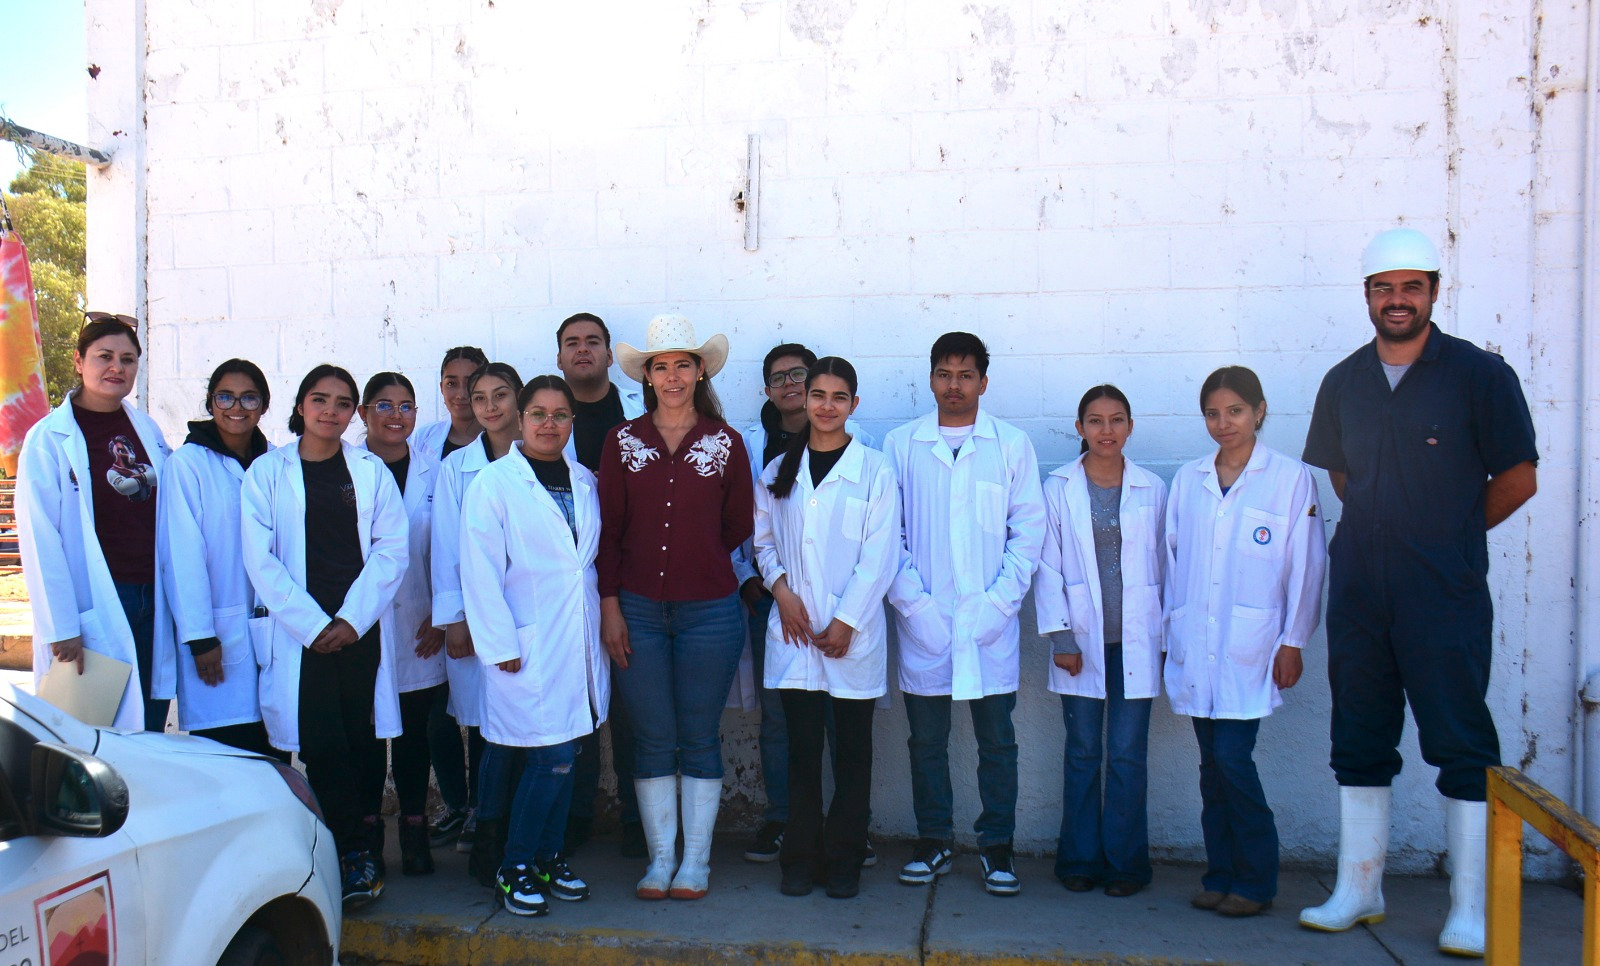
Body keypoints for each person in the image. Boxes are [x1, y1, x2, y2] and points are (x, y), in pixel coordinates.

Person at [1298, 228, 1538, 956]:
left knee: (1461, 741)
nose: (1396, 299)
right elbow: (1342, 476)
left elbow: (1518, 478)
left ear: (1434, 290)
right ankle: (1359, 888)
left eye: (1410, 286)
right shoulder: (1344, 380)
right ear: (1367, 295)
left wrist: (1447, 534)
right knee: (1359, 736)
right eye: (1383, 287)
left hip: (1443, 592)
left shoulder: (1479, 375)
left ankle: (1471, 909)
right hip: (1361, 590)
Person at [597, 314, 754, 901]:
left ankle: (697, 863)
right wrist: (610, 606)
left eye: (682, 365)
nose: (671, 376)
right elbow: (610, 531)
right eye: (660, 366)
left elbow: (737, 523)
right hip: (636, 610)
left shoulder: (725, 443)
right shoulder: (622, 442)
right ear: (647, 375)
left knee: (699, 735)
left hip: (709, 612)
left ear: (700, 371)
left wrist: (697, 555)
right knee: (653, 736)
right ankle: (661, 859)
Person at [241, 364, 408, 908]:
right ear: (300, 406)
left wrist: (351, 620)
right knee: (321, 742)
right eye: (320, 399)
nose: (330, 411)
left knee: (363, 740)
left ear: (353, 412)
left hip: (359, 630)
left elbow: (391, 550)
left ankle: (361, 851)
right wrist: (314, 626)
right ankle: (346, 850)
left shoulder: (370, 471)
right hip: (301, 635)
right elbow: (260, 560)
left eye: (342, 402)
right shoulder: (267, 473)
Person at [885, 331, 1044, 897]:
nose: (954, 385)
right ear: (930, 378)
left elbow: (1028, 532)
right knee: (925, 743)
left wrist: (999, 604)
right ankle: (935, 840)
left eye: (965, 375)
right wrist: (915, 606)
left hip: (990, 624)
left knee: (997, 742)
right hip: (923, 621)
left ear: (983, 381)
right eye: (944, 374)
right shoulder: (901, 445)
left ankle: (997, 846)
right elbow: (889, 535)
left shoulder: (1011, 445)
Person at [1164, 366, 1326, 918]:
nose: (1223, 423)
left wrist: (1293, 640)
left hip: (1251, 646)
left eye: (1235, 411)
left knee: (1233, 760)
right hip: (1196, 642)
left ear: (1259, 411)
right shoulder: (1189, 480)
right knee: (1211, 768)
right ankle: (1220, 874)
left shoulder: (1288, 478)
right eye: (1212, 413)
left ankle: (1255, 882)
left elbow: (1307, 565)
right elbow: (1171, 562)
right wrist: (1171, 631)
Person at [461, 374, 610, 917]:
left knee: (569, 750)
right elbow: (478, 570)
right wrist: (498, 642)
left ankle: (548, 855)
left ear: (572, 421)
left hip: (577, 638)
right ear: (521, 420)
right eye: (539, 414)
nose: (550, 424)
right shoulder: (494, 483)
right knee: (550, 757)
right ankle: (515, 863)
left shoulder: (585, 481)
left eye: (560, 414)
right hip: (524, 644)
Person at [753, 357, 899, 899]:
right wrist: (782, 592)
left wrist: (846, 620)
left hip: (851, 636)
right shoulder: (777, 471)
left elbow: (880, 556)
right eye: (818, 394)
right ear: (805, 399)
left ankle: (844, 860)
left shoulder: (875, 470)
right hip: (794, 633)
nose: (827, 406)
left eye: (839, 397)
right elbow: (763, 543)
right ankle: (799, 858)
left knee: (853, 754)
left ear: (853, 404)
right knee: (802, 753)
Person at [1034, 384, 1166, 898]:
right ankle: (1080, 859)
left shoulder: (1153, 488)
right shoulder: (1058, 488)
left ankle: (1127, 865)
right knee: (1084, 752)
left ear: (1130, 426)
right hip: (1081, 645)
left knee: (1128, 755)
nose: (1106, 430)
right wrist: (1061, 637)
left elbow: (1167, 567)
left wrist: (1164, 639)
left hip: (1137, 642)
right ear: (1080, 427)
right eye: (1095, 420)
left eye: (1116, 420)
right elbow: (1047, 566)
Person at [17, 313, 174, 732]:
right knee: (92, 731)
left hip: (152, 596)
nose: (116, 368)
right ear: (78, 361)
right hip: (98, 600)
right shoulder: (48, 439)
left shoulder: (146, 428)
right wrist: (62, 625)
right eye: (104, 356)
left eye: (128, 359)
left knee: (147, 725)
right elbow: (39, 537)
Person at [554, 313, 646, 857]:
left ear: (610, 355)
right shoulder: (544, 417)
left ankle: (638, 817)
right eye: (572, 343)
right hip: (565, 583)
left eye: (593, 341)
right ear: (560, 357)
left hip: (632, 576)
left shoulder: (639, 412)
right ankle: (576, 814)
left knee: (633, 706)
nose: (583, 350)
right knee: (575, 700)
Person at [431, 361, 524, 879]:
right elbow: (446, 546)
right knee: (485, 725)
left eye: (500, 395)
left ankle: (522, 822)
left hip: (531, 611)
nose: (490, 406)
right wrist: (456, 619)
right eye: (480, 397)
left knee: (528, 719)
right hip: (476, 613)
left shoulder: (543, 453)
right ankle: (484, 818)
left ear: (518, 399)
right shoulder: (456, 468)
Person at [157, 358, 276, 755]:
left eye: (249, 398)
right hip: (217, 635)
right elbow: (182, 555)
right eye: (225, 397)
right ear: (210, 403)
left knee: (273, 753)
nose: (236, 407)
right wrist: (200, 636)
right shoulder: (187, 465)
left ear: (264, 404)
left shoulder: (276, 462)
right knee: (224, 754)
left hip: (275, 632)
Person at [358, 371, 445, 876]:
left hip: (419, 624)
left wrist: (442, 615)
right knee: (368, 736)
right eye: (384, 405)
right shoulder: (347, 469)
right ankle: (369, 835)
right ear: (364, 413)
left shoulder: (436, 472)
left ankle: (415, 830)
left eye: (406, 406)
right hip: (363, 625)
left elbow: (450, 549)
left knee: (415, 734)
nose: (396, 415)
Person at [412, 345, 489, 849]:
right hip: (427, 597)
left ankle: (481, 807)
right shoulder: (423, 443)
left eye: (470, 382)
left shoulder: (506, 442)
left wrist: (456, 612)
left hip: (479, 601)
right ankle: (456, 804)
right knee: (436, 713)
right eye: (450, 382)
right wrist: (438, 611)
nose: (460, 393)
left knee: (482, 711)